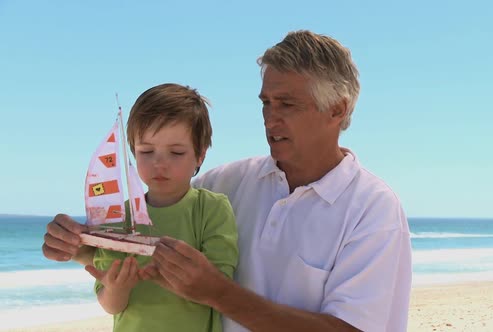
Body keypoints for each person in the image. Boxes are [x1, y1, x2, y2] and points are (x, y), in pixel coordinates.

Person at [42, 30, 412, 332]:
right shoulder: (226, 183)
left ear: (338, 109)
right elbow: (143, 241)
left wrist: (218, 293)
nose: (270, 118)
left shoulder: (373, 208)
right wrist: (79, 246)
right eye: (265, 102)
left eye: (287, 104)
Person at [82, 83, 239, 332]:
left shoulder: (211, 208)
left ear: (200, 156)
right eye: (146, 151)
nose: (159, 163)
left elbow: (219, 289)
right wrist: (117, 288)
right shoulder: (118, 216)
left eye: (176, 153)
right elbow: (111, 305)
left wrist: (166, 274)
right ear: (133, 152)